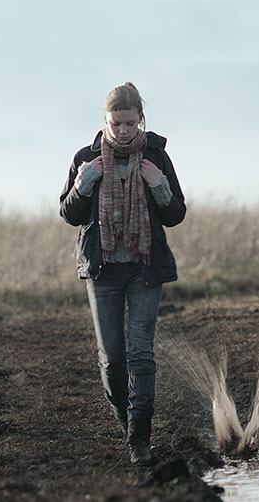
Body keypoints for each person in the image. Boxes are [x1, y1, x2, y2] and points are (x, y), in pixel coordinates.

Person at [59, 82, 186, 465]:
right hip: (103, 272)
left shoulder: (157, 158)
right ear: (105, 121)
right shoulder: (86, 157)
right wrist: (84, 183)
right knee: (113, 359)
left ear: (140, 120)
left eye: (130, 123)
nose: (123, 130)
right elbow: (70, 214)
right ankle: (125, 419)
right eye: (116, 123)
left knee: (141, 355)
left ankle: (139, 438)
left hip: (144, 269)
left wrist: (159, 186)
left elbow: (175, 215)